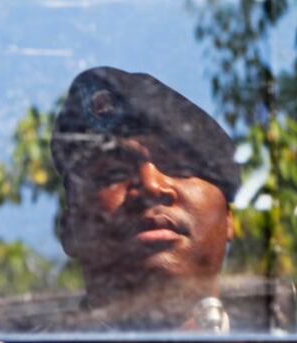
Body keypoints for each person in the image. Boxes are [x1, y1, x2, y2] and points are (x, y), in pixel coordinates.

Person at [49, 66, 241, 331]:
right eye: (114, 173)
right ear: (69, 229)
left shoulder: (294, 334)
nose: (151, 186)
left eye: (180, 168)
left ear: (229, 218)